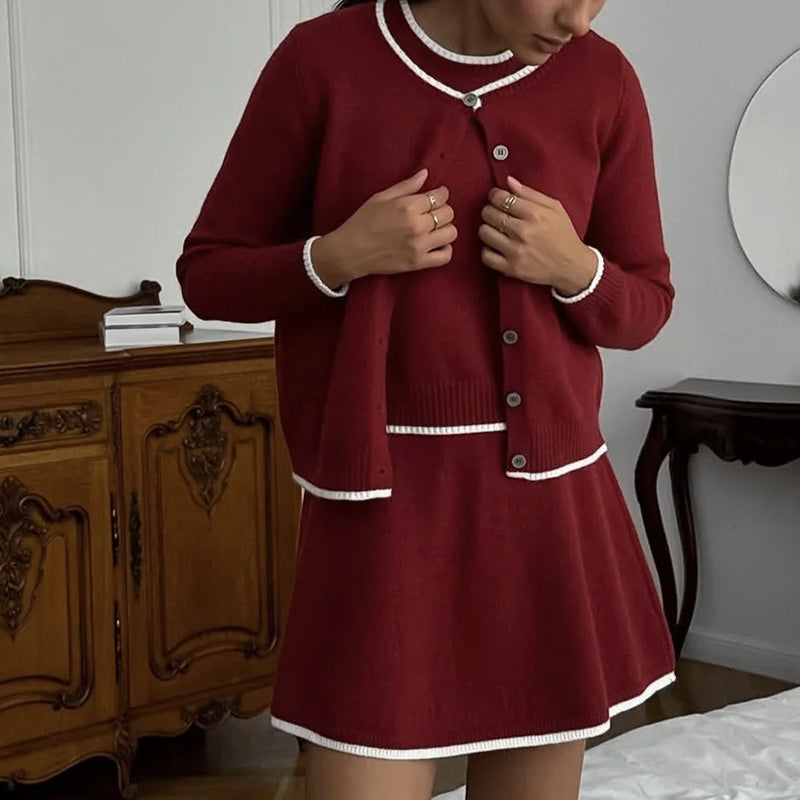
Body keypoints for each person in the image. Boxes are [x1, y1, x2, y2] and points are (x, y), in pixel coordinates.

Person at [176, 0, 677, 797]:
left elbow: (646, 305)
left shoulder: (603, 79)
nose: (579, 21)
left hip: (546, 510)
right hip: (385, 520)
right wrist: (336, 257)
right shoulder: (321, 62)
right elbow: (208, 274)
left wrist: (574, 268)